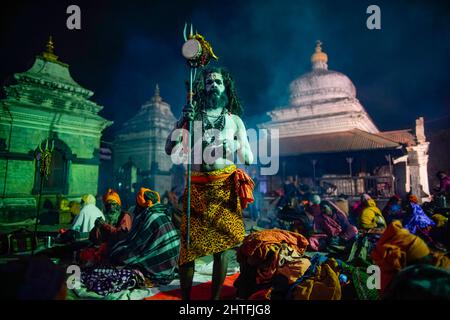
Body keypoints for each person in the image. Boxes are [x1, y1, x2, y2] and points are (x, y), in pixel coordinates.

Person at [165, 67, 254, 300]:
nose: (213, 84)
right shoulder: (192, 117)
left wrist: (231, 146)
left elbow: (249, 157)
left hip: (224, 188)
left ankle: (214, 302)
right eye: (208, 81)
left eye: (218, 81)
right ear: (202, 88)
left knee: (222, 248)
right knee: (188, 248)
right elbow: (169, 149)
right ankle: (185, 301)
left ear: (226, 88)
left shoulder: (235, 121)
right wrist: (183, 120)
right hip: (197, 189)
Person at [109, 188, 180, 285]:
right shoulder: (163, 214)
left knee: (120, 258)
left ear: (140, 206)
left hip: (161, 271)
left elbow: (137, 248)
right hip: (170, 266)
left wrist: (116, 254)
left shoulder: (150, 217)